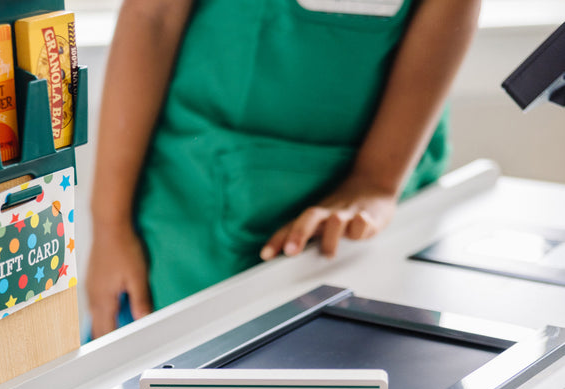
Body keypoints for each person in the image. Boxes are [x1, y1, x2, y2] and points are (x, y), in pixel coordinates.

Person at [86, 0, 482, 338]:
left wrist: (377, 181)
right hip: (193, 215)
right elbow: (152, 15)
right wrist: (110, 226)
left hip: (382, 195)